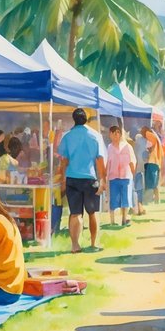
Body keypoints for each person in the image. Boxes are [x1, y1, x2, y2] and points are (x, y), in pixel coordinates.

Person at [56, 108, 107, 253]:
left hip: (72, 178)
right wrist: (103, 179)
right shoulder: (95, 135)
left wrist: (62, 178)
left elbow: (64, 161)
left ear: (74, 119)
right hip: (90, 178)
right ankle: (93, 243)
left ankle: (75, 245)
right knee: (92, 212)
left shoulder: (67, 136)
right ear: (86, 119)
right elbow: (100, 160)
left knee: (75, 213)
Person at [105, 124, 136, 227]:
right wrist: (105, 176)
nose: (116, 135)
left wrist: (133, 173)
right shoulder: (109, 147)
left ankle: (124, 219)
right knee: (113, 199)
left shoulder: (127, 146)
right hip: (113, 176)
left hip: (125, 176)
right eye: (113, 133)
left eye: (118, 133)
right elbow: (107, 162)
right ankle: (112, 221)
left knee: (125, 199)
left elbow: (132, 161)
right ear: (110, 134)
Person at [140, 126, 163, 205]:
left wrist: (147, 149)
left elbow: (149, 145)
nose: (141, 133)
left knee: (151, 183)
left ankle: (148, 200)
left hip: (152, 162)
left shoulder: (149, 134)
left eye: (142, 131)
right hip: (155, 162)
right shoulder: (155, 136)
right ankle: (157, 200)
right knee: (154, 183)